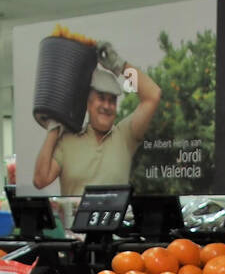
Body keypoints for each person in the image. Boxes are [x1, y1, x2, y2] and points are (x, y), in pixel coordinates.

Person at [32, 41, 161, 196]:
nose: (107, 106)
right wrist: (53, 129)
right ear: (88, 102)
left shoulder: (125, 136)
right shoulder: (67, 141)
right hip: (75, 220)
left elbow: (153, 95)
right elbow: (40, 180)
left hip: (115, 220)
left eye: (112, 100)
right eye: (101, 98)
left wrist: (119, 65)